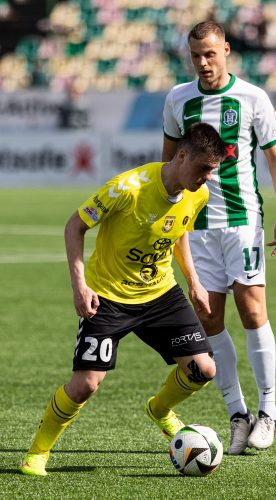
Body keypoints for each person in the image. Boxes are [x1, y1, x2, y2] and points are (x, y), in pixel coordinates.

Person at [20, 122, 226, 477]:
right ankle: (38, 452)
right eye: (204, 168)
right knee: (85, 385)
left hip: (161, 293)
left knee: (203, 370)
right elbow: (75, 226)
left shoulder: (199, 194)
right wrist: (80, 286)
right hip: (109, 297)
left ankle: (160, 411)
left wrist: (194, 282)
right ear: (181, 155)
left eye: (213, 170)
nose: (207, 177)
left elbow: (178, 232)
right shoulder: (127, 188)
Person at [162, 20, 276, 455]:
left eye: (210, 54)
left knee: (252, 309)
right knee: (209, 319)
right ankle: (238, 413)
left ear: (226, 50)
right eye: (196, 56)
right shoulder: (178, 99)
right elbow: (169, 163)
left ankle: (269, 411)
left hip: (242, 219)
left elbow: (274, 158)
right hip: (198, 227)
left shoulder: (252, 97)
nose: (203, 63)